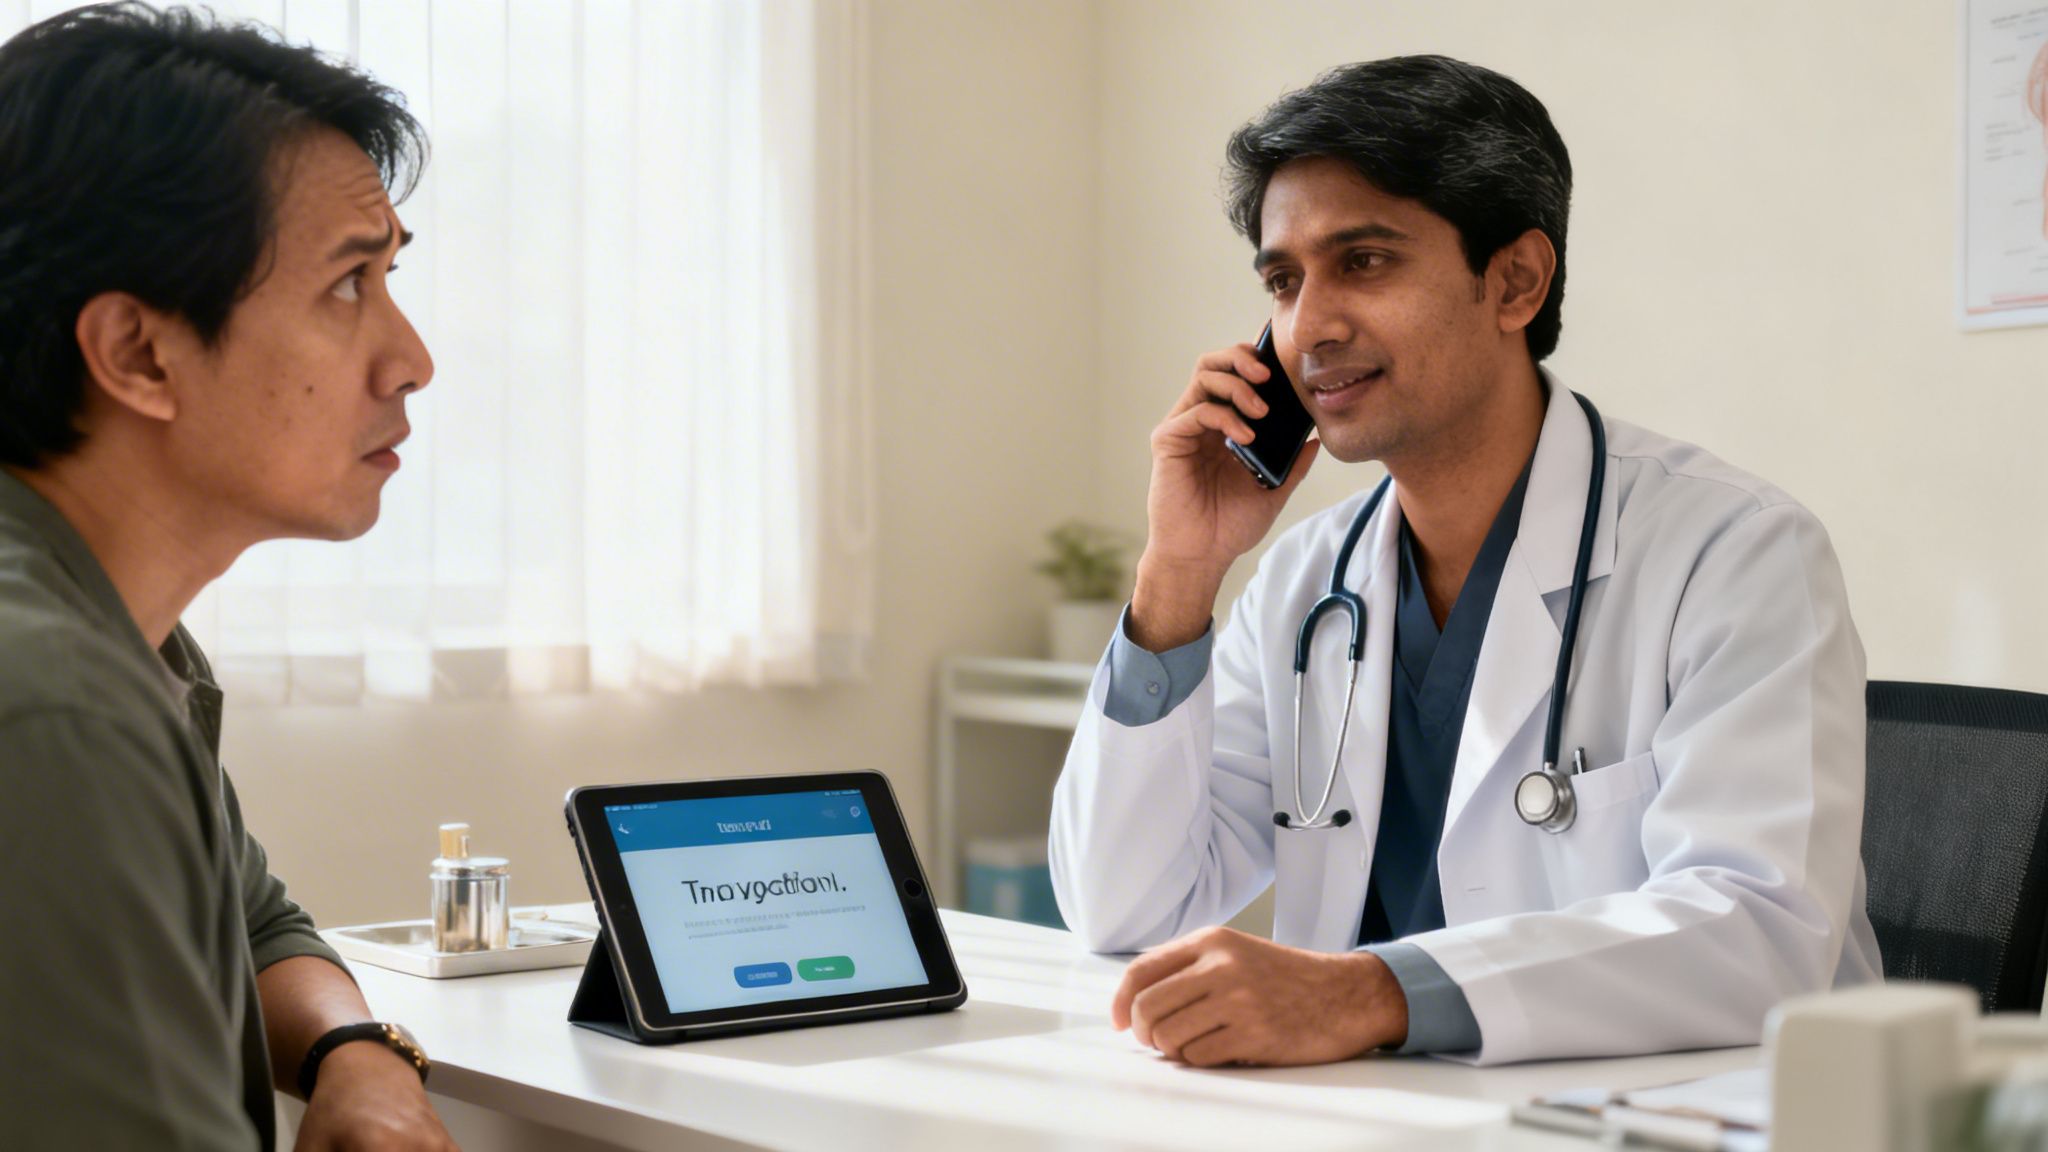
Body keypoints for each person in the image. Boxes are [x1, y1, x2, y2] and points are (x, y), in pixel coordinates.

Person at [1048, 56, 1882, 1068]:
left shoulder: (1732, 551)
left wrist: (1363, 994)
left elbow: (1755, 930)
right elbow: (1120, 908)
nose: (1307, 327)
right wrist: (1178, 573)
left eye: (1361, 262)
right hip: (1373, 1115)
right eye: (1282, 281)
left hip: (1662, 1118)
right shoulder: (1306, 581)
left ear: (1514, 280)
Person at [0, 4, 454, 1146]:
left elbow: (253, 919)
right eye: (349, 285)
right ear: (139, 353)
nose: (411, 359)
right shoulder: (54, 702)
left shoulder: (116, 629)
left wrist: (359, 1053)